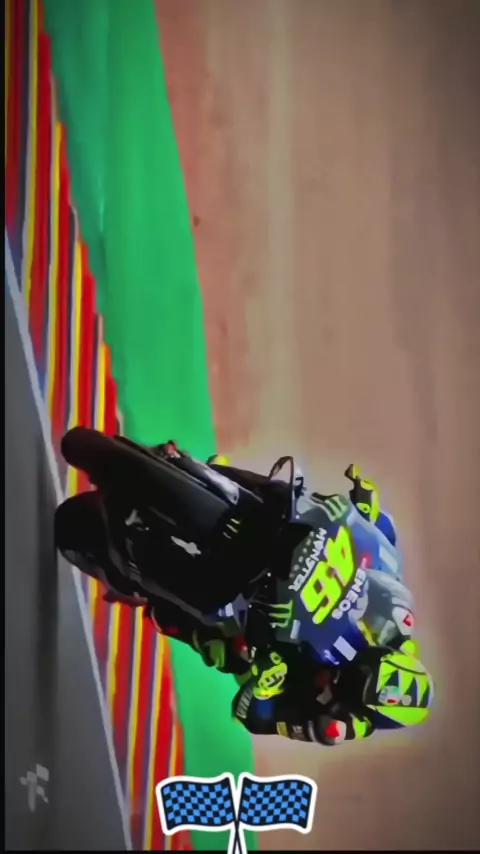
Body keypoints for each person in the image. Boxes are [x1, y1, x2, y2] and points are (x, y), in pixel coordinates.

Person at [138, 454, 434, 746]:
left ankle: (151, 587)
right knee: (288, 497)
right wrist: (368, 514)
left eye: (359, 682)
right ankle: (216, 476)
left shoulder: (333, 723)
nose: (359, 668)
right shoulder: (396, 624)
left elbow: (252, 718)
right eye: (371, 663)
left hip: (268, 639)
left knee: (229, 649)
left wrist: (265, 689)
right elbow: (385, 552)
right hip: (308, 571)